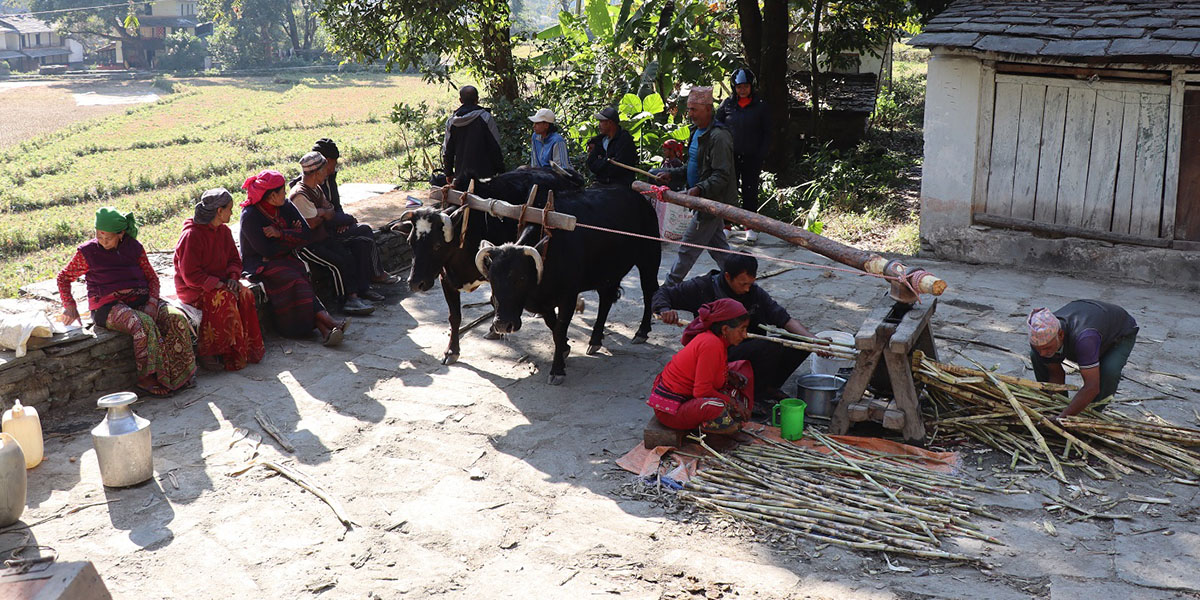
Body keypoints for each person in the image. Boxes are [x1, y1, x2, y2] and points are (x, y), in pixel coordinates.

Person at [57, 208, 196, 396]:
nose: (103, 242)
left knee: (176, 317)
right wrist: (70, 305)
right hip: (107, 307)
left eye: (108, 238)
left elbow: (152, 279)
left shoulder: (134, 248)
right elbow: (63, 277)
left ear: (121, 234)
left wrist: (153, 302)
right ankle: (147, 379)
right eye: (99, 236)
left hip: (141, 299)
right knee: (141, 323)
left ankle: (180, 375)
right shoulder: (87, 253)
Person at [653, 254, 818, 403]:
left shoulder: (754, 293)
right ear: (727, 276)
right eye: (743, 283)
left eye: (750, 284)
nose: (747, 289)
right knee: (768, 347)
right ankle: (754, 396)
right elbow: (663, 293)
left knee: (799, 341)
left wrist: (813, 341)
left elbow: (784, 319)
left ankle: (768, 387)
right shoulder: (702, 287)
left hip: (752, 346)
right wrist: (664, 309)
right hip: (718, 353)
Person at [240, 169, 347, 346]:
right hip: (259, 264)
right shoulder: (251, 215)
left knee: (300, 276)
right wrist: (292, 235)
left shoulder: (285, 206)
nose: (285, 194)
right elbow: (266, 250)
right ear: (272, 196)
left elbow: (306, 235)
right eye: (282, 191)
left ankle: (326, 331)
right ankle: (327, 322)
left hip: (283, 259)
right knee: (296, 279)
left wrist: (280, 234)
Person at [173, 188, 265, 372]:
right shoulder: (192, 235)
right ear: (219, 211)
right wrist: (217, 284)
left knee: (245, 294)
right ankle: (213, 351)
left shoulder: (223, 231)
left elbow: (234, 259)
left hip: (221, 282)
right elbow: (190, 275)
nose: (232, 213)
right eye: (229, 209)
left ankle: (245, 347)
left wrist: (232, 277)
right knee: (224, 299)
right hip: (194, 289)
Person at [655, 86, 737, 285]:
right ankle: (741, 282)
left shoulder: (719, 137)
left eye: (694, 109)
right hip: (702, 198)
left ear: (708, 109)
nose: (689, 114)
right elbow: (691, 167)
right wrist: (671, 175)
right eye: (689, 109)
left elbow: (721, 175)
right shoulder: (697, 133)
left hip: (710, 202)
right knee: (720, 251)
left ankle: (668, 288)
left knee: (687, 250)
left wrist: (700, 189)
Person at [647, 298, 754, 434]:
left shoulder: (718, 341)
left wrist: (730, 379)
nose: (744, 335)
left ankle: (724, 425)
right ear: (725, 329)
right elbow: (701, 392)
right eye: (742, 329)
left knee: (739, 375)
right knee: (717, 406)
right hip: (672, 411)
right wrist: (733, 403)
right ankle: (715, 433)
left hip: (689, 400)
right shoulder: (711, 344)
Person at [289, 151, 376, 316]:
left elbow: (330, 212)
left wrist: (320, 212)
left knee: (346, 255)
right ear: (317, 172)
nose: (327, 172)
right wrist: (323, 213)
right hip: (308, 245)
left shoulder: (316, 189)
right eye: (324, 169)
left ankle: (354, 296)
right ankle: (345, 301)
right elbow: (311, 223)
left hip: (321, 238)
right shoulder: (300, 194)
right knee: (337, 263)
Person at [310, 138, 400, 287]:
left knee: (362, 243)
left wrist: (342, 221)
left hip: (335, 225)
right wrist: (348, 220)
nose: (335, 166)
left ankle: (364, 287)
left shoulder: (329, 178)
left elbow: (335, 206)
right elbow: (323, 216)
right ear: (325, 161)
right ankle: (377, 274)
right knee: (364, 230)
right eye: (334, 161)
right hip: (323, 233)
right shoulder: (310, 184)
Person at [1028, 300, 1139, 419]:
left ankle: (1091, 413)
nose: (1043, 352)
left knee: (1109, 370)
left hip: (1119, 334)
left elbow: (1092, 387)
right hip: (1089, 329)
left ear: (1060, 335)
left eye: (1047, 348)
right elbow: (1055, 373)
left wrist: (1063, 418)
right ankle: (1059, 405)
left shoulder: (1085, 339)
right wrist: (1055, 409)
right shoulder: (1040, 339)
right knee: (1037, 357)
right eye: (1039, 348)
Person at [715, 67, 770, 245]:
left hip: (752, 157)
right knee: (728, 191)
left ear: (751, 86)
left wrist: (761, 153)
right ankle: (726, 226)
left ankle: (750, 227)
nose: (742, 90)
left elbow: (767, 133)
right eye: (739, 87)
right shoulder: (727, 105)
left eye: (745, 86)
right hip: (730, 157)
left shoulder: (761, 106)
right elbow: (717, 126)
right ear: (734, 87)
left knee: (750, 191)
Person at [442, 85, 505, 184]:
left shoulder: (452, 122)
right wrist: (500, 170)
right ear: (477, 99)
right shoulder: (486, 118)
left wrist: (448, 173)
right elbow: (495, 146)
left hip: (461, 175)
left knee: (464, 198)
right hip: (485, 175)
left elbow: (447, 150)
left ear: (460, 100)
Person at [585, 107, 637, 186]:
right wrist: (607, 161)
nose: (599, 125)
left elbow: (619, 167)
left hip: (621, 184)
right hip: (601, 182)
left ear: (610, 123)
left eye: (601, 121)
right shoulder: (599, 140)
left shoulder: (624, 139)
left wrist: (602, 162)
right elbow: (591, 163)